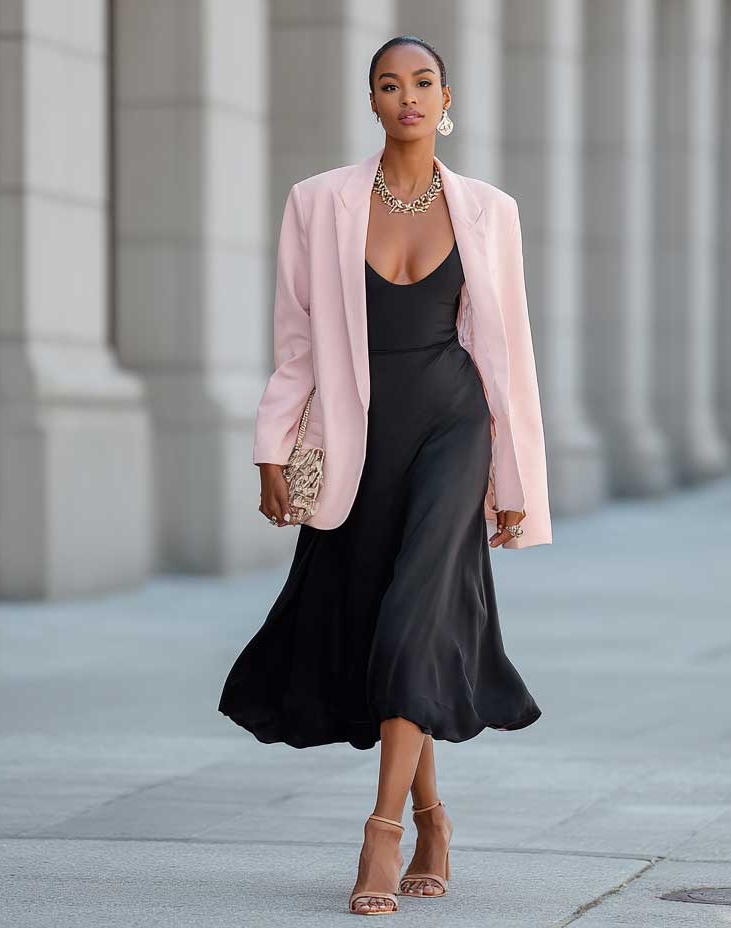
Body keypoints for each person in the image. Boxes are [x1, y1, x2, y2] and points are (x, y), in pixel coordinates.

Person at [217, 35, 551, 916]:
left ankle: (382, 837)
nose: (408, 97)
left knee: (410, 621)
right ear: (371, 101)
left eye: (423, 82)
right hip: (360, 439)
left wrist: (514, 482)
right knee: (386, 622)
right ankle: (435, 818)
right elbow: (296, 338)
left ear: (448, 99)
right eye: (389, 84)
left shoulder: (489, 210)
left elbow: (508, 355)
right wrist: (270, 445)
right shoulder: (318, 203)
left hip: (454, 427)